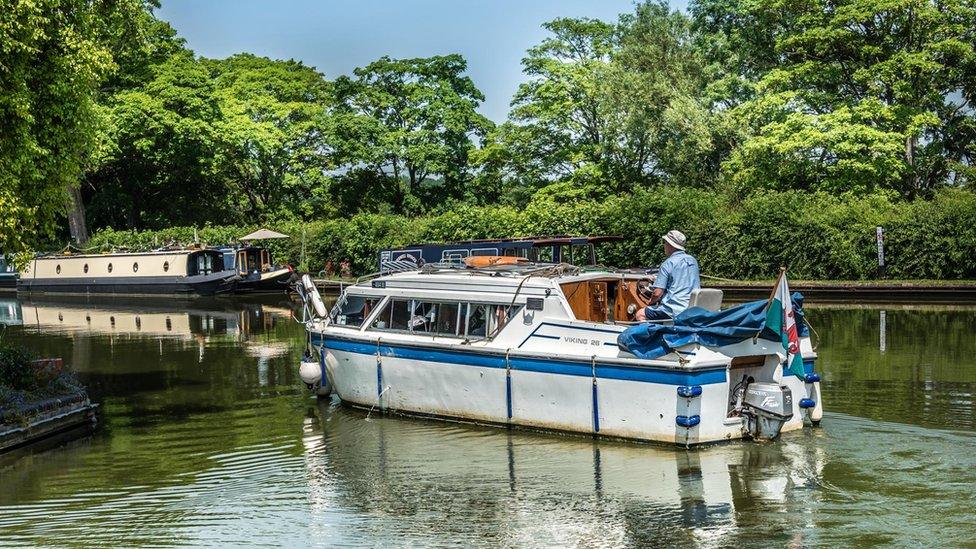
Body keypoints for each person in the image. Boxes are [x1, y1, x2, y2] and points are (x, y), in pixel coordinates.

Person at [636, 230, 700, 321]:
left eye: (665, 242)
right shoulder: (693, 260)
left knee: (640, 314)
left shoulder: (668, 263)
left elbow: (657, 293)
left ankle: (651, 335)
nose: (664, 245)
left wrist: (650, 302)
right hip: (692, 309)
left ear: (670, 245)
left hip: (674, 310)